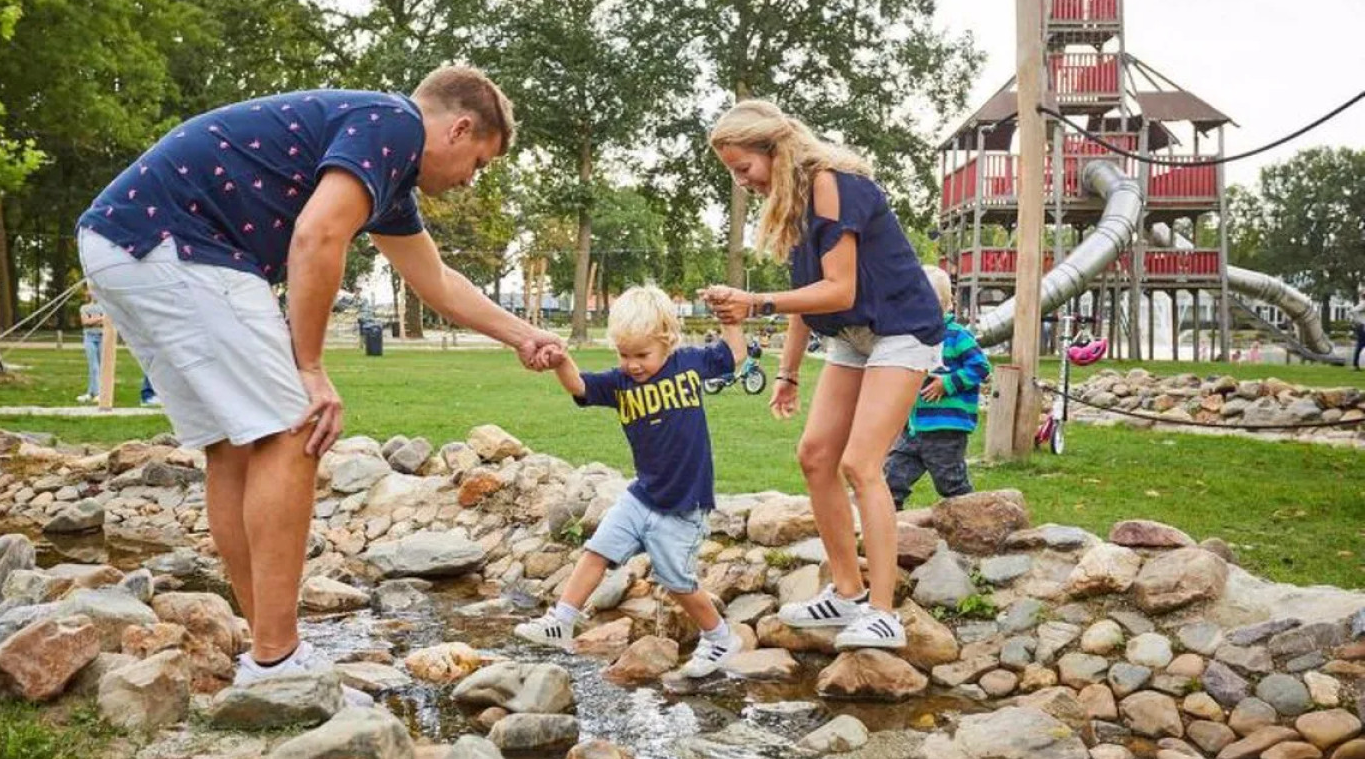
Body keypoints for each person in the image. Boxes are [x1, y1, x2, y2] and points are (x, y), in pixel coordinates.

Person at [77, 66, 563, 694]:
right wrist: (309, 367)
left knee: (235, 446)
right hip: (179, 241)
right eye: (479, 161)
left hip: (126, 241)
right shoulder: (393, 125)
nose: (471, 179)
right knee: (295, 428)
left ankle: (268, 647)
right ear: (459, 127)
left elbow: (436, 281)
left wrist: (524, 335)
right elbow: (317, 234)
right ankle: (276, 662)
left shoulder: (387, 179)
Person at [702, 100, 945, 650]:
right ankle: (845, 591)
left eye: (745, 169)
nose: (744, 183)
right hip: (851, 336)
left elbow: (840, 289)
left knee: (862, 463)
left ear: (775, 150)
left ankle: (883, 614)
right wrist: (787, 374)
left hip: (900, 327)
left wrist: (754, 302)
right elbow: (809, 298)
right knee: (815, 456)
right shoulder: (793, 204)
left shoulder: (833, 184)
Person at [515, 285, 747, 678]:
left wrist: (731, 321)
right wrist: (561, 362)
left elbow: (733, 356)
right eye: (624, 355)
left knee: (678, 582)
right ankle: (562, 619)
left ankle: (719, 637)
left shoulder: (688, 364)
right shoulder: (620, 383)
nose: (633, 364)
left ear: (667, 342)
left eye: (642, 355)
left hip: (684, 504)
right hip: (641, 495)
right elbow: (581, 387)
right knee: (597, 548)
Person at [886, 266, 990, 510]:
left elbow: (980, 367)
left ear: (947, 305)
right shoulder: (911, 338)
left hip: (945, 430)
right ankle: (889, 523)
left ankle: (973, 519)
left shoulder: (956, 336)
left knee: (951, 484)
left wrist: (948, 383)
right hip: (912, 428)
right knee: (892, 478)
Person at [78, 290, 106, 403]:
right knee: (93, 366)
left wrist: (92, 319)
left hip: (102, 337)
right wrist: (100, 318)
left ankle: (94, 393)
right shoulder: (84, 308)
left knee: (101, 366)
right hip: (89, 337)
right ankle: (95, 393)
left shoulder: (105, 307)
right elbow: (85, 322)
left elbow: (108, 321)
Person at [1351, 288, 1365, 371]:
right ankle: (1355, 364)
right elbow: (1353, 311)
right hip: (1362, 327)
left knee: (1360, 345)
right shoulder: (1363, 304)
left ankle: (1355, 364)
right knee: (1360, 345)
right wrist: (1358, 321)